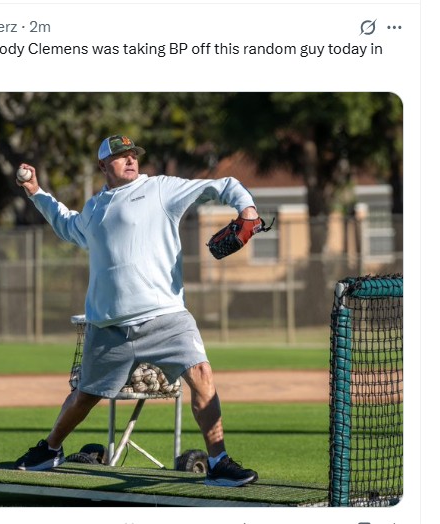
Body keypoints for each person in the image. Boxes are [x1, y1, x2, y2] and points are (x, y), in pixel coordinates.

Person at [14, 135, 260, 487]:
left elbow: (224, 185)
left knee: (202, 374)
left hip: (166, 317)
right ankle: (50, 449)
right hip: (108, 327)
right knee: (84, 397)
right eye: (120, 156)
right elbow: (66, 225)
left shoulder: (160, 189)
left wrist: (247, 210)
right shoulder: (95, 207)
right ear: (103, 166)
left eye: (133, 154)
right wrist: (36, 192)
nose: (130, 160)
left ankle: (219, 461)